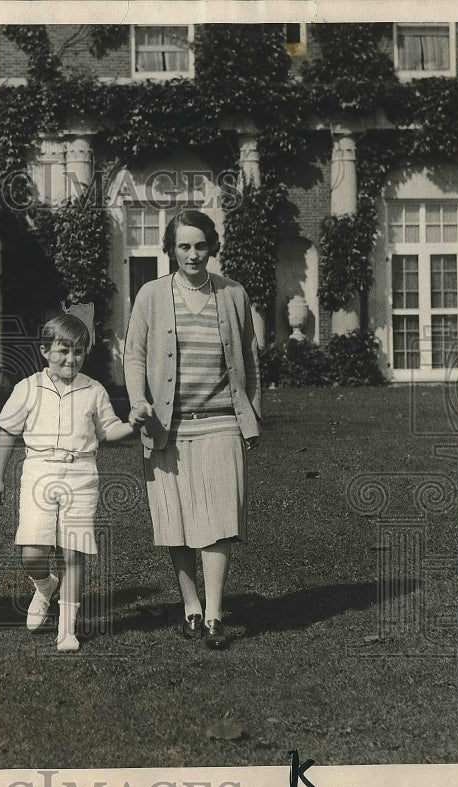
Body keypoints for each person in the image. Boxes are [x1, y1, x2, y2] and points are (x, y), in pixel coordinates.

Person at [124, 209, 260, 650]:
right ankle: (191, 607)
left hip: (221, 422)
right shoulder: (150, 295)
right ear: (171, 250)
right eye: (184, 246)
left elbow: (250, 360)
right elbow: (134, 355)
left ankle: (216, 614)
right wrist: (138, 401)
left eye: (200, 245)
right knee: (178, 522)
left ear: (211, 247)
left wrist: (250, 417)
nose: (193, 254)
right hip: (169, 427)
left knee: (220, 519)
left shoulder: (233, 294)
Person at [0, 313, 138, 652]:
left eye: (78, 352)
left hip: (81, 476)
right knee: (32, 552)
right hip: (39, 474)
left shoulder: (94, 390)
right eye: (63, 351)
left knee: (74, 552)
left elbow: (109, 429)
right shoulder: (27, 388)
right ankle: (44, 585)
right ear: (45, 351)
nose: (71, 359)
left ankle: (67, 629)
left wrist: (132, 425)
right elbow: (7, 433)